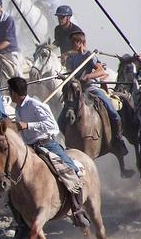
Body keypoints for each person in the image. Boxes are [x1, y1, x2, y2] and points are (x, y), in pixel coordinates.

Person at [7, 76, 89, 228]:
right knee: (13, 180)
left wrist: (27, 125)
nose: (9, 94)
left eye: (10, 91)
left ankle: (78, 211)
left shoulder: (35, 105)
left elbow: (52, 126)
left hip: (47, 144)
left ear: (15, 92)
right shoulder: (18, 108)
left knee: (71, 170)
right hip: (29, 148)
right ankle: (21, 221)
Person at [64, 30, 128, 156]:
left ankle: (117, 139)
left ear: (80, 42)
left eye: (73, 43)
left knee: (113, 112)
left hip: (91, 88)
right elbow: (70, 73)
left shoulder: (89, 56)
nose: (71, 46)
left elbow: (101, 72)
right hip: (77, 90)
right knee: (62, 118)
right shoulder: (72, 58)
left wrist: (88, 75)